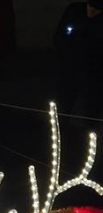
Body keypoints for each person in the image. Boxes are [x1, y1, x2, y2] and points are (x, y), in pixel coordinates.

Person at [53, 1, 103, 129]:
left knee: (91, 109)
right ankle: (61, 133)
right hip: (70, 68)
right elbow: (60, 35)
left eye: (97, 10)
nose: (92, 12)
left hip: (94, 72)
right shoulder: (74, 10)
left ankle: (90, 138)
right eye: (91, 7)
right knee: (64, 104)